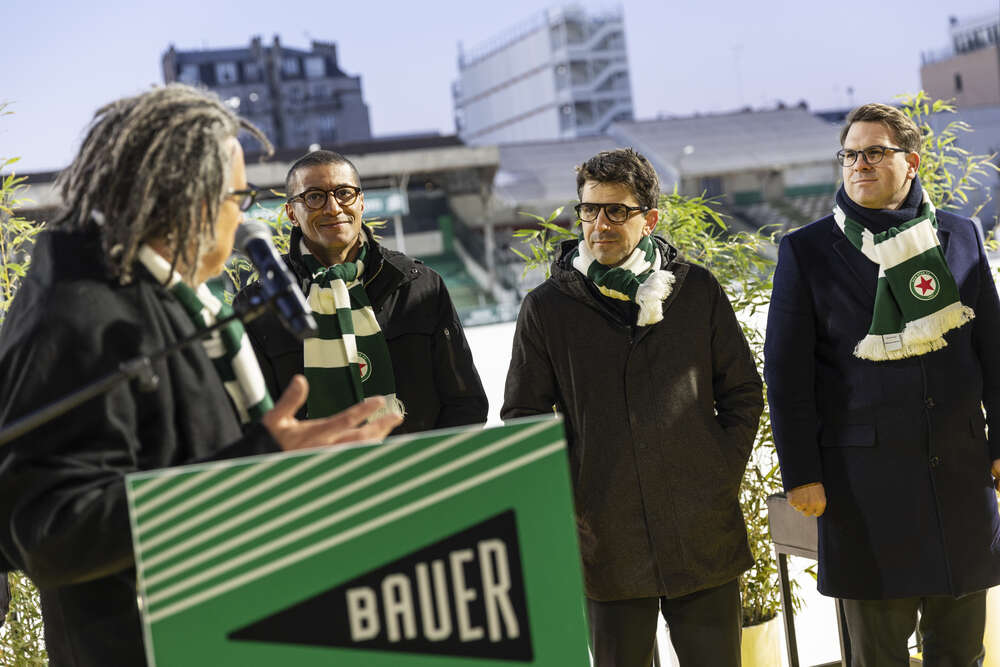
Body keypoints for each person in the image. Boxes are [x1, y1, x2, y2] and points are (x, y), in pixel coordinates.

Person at [0, 85, 401, 666]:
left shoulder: (151, 293)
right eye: (238, 197)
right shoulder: (82, 315)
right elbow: (51, 532)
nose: (243, 221)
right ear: (188, 198)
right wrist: (254, 463)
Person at [502, 148, 763, 666]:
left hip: (701, 528)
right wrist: (575, 502)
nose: (600, 223)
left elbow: (742, 393)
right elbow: (523, 422)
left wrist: (717, 472)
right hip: (607, 541)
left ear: (649, 217)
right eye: (589, 210)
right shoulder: (548, 307)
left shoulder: (697, 292)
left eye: (616, 210)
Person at [765, 102, 1000, 666]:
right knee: (878, 657)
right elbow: (786, 371)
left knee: (961, 653)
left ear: (911, 161)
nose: (859, 164)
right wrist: (801, 475)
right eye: (850, 154)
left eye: (875, 152)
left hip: (959, 483)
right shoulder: (809, 249)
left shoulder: (960, 234)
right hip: (863, 487)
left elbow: (993, 350)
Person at [234, 150, 488, 434]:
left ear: (362, 202)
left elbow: (465, 402)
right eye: (314, 196)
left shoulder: (418, 285)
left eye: (344, 193)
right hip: (319, 474)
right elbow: (254, 423)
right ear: (292, 213)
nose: (333, 208)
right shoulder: (262, 305)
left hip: (419, 468)